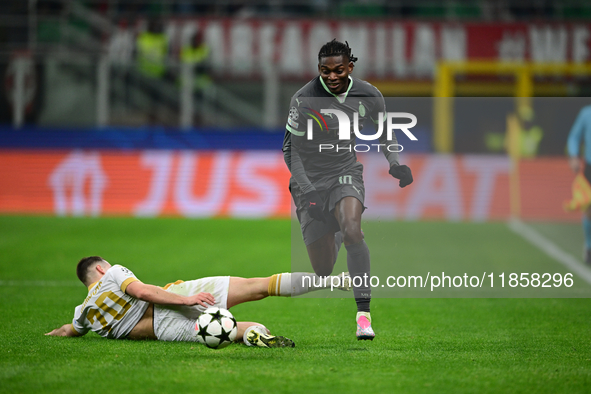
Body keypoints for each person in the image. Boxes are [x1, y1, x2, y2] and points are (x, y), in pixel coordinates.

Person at [282, 39, 413, 341]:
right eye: (324, 71)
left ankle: (363, 316)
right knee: (324, 269)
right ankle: (336, 228)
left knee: (354, 229)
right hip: (309, 182)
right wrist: (309, 191)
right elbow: (291, 150)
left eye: (338, 70)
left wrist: (394, 162)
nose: (331, 77)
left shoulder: (369, 95)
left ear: (350, 67)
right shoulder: (303, 99)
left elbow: (385, 131)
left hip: (345, 172)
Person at [46, 256, 350, 347]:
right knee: (258, 286)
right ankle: (333, 280)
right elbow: (143, 292)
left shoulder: (83, 311)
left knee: (226, 330)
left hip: (160, 329)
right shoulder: (113, 274)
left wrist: (52, 334)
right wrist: (187, 298)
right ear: (100, 268)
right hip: (173, 296)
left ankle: (259, 334)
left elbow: (68, 330)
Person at [567, 104, 591, 264]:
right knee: (589, 207)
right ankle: (589, 246)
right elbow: (574, 136)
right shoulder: (586, 113)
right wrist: (574, 155)